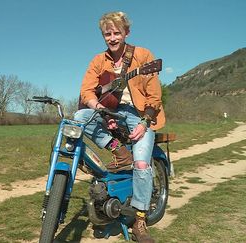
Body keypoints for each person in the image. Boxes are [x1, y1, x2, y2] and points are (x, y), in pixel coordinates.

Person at [74, 11, 165, 243]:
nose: (112, 37)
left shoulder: (143, 55)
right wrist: (100, 110)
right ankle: (118, 150)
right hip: (111, 111)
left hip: (140, 115)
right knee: (80, 116)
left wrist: (145, 123)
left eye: (117, 32)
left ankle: (141, 220)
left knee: (142, 163)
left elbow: (154, 97)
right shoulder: (98, 61)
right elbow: (86, 91)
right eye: (108, 33)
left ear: (126, 33)